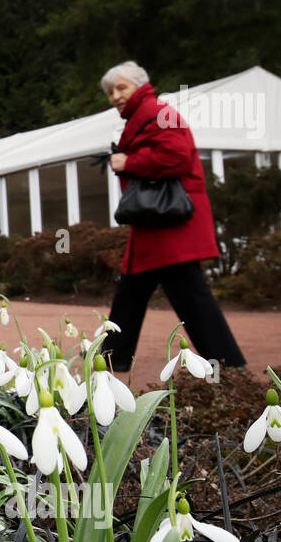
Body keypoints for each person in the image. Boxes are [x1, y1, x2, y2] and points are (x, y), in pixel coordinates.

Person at [98, 61, 246, 373]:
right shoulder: (146, 114)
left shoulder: (157, 111)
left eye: (121, 87)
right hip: (158, 223)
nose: (115, 96)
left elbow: (177, 155)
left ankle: (228, 367)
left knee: (184, 294)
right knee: (134, 292)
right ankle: (112, 362)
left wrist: (129, 162)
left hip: (170, 224)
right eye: (111, 91)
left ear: (140, 85)